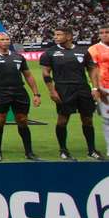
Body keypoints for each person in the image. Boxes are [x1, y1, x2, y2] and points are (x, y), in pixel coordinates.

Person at [40, 27, 102, 160]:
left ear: (68, 36)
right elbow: (45, 73)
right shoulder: (50, 53)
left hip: (82, 88)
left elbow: (92, 69)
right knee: (62, 120)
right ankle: (63, 150)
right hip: (63, 89)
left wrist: (95, 88)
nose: (55, 37)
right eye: (55, 34)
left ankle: (91, 150)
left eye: (59, 34)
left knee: (87, 120)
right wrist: (52, 91)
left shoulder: (82, 51)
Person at [0, 32, 42, 162]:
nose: (5, 41)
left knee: (23, 120)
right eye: (2, 39)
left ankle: (29, 152)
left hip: (19, 91)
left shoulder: (18, 57)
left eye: (7, 39)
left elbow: (28, 75)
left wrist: (36, 94)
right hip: (0, 92)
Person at [88, 25, 109, 158]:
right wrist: (96, 88)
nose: (104, 34)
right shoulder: (94, 49)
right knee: (107, 120)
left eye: (107, 32)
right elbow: (92, 70)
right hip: (104, 88)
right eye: (101, 32)